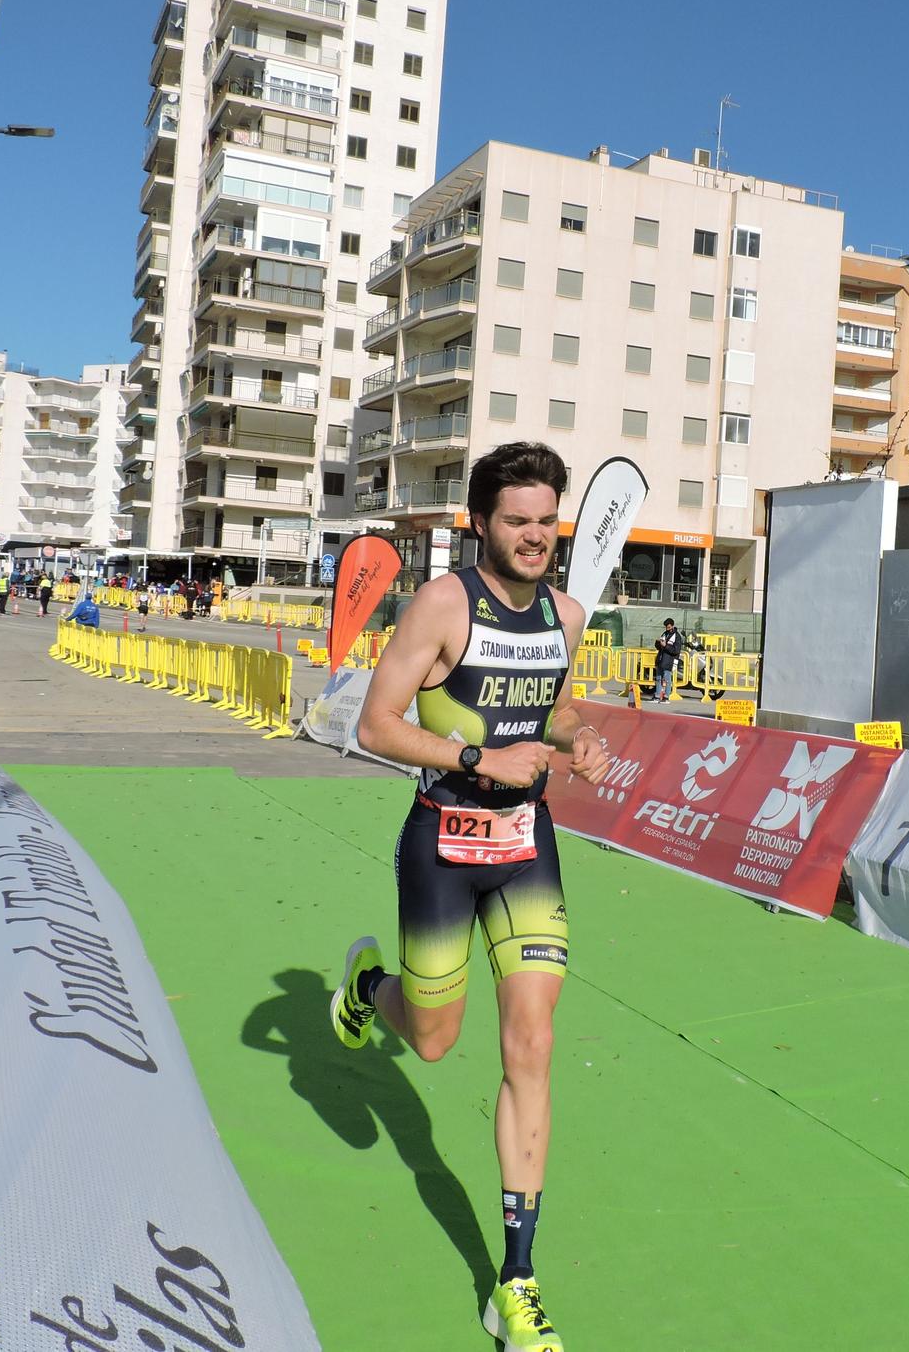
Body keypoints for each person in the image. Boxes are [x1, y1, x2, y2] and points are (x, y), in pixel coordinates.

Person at [330, 442, 611, 1351]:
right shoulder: (444, 604)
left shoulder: (567, 613)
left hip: (528, 845)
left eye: (547, 521)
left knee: (533, 1039)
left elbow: (550, 708)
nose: (535, 537)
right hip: (443, 842)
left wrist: (579, 736)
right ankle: (369, 991)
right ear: (480, 522)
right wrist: (476, 759)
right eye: (517, 521)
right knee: (437, 1039)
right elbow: (376, 723)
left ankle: (517, 1278)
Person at [652, 618, 683, 702]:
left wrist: (665, 645)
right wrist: (658, 643)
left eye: (669, 627)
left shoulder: (677, 636)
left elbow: (676, 650)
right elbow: (659, 647)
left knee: (667, 679)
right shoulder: (664, 634)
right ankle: (657, 696)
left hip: (669, 661)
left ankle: (666, 697)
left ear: (672, 626)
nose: (667, 629)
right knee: (658, 678)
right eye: (666, 627)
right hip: (661, 659)